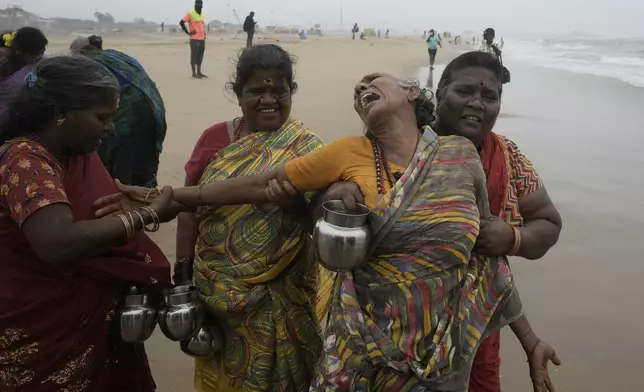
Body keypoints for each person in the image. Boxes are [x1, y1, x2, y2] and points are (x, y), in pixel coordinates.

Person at [97, 70, 560, 391]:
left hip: (441, 356)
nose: (361, 89)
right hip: (359, 345)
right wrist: (176, 197)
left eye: (372, 83)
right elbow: (262, 185)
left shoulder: (460, 156)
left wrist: (530, 339)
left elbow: (485, 262)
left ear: (413, 93)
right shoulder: (348, 153)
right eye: (357, 90)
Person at [0, 55, 176, 391]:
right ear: (61, 112)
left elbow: (96, 209)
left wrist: (136, 202)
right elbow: (58, 243)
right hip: (40, 332)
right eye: (102, 117)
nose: (110, 127)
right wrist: (146, 215)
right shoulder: (25, 161)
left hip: (86, 322)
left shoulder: (75, 153)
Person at [175, 44, 325, 391]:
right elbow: (187, 205)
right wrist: (182, 272)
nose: (268, 99)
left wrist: (294, 207)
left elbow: (318, 222)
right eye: (257, 90)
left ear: (292, 92)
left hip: (284, 291)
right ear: (237, 93)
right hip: (218, 292)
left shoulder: (309, 147)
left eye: (279, 91)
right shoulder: (215, 138)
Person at [432, 51, 563, 392]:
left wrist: (512, 238)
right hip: (404, 322)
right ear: (439, 94)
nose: (476, 103)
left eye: (489, 96)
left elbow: (548, 224)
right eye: (465, 92)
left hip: (481, 322)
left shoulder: (507, 155)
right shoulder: (403, 147)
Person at [70, 35, 167, 188]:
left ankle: (123, 194)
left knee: (121, 160)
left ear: (82, 53)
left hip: (129, 115)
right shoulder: (117, 55)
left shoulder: (93, 65)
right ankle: (147, 195)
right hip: (153, 110)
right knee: (144, 157)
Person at [0, 27, 47, 116]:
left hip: (19, 115)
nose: (38, 58)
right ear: (19, 51)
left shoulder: (43, 60)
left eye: (42, 52)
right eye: (34, 55)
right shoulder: (2, 59)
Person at [180, 0, 207, 78]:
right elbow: (181, 22)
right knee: (194, 55)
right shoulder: (190, 13)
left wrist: (204, 33)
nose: (199, 5)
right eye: (197, 4)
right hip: (194, 39)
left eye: (200, 4)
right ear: (195, 5)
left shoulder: (202, 14)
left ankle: (199, 72)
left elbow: (201, 25)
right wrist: (188, 32)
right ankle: (194, 73)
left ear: (202, 5)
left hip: (202, 39)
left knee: (200, 56)